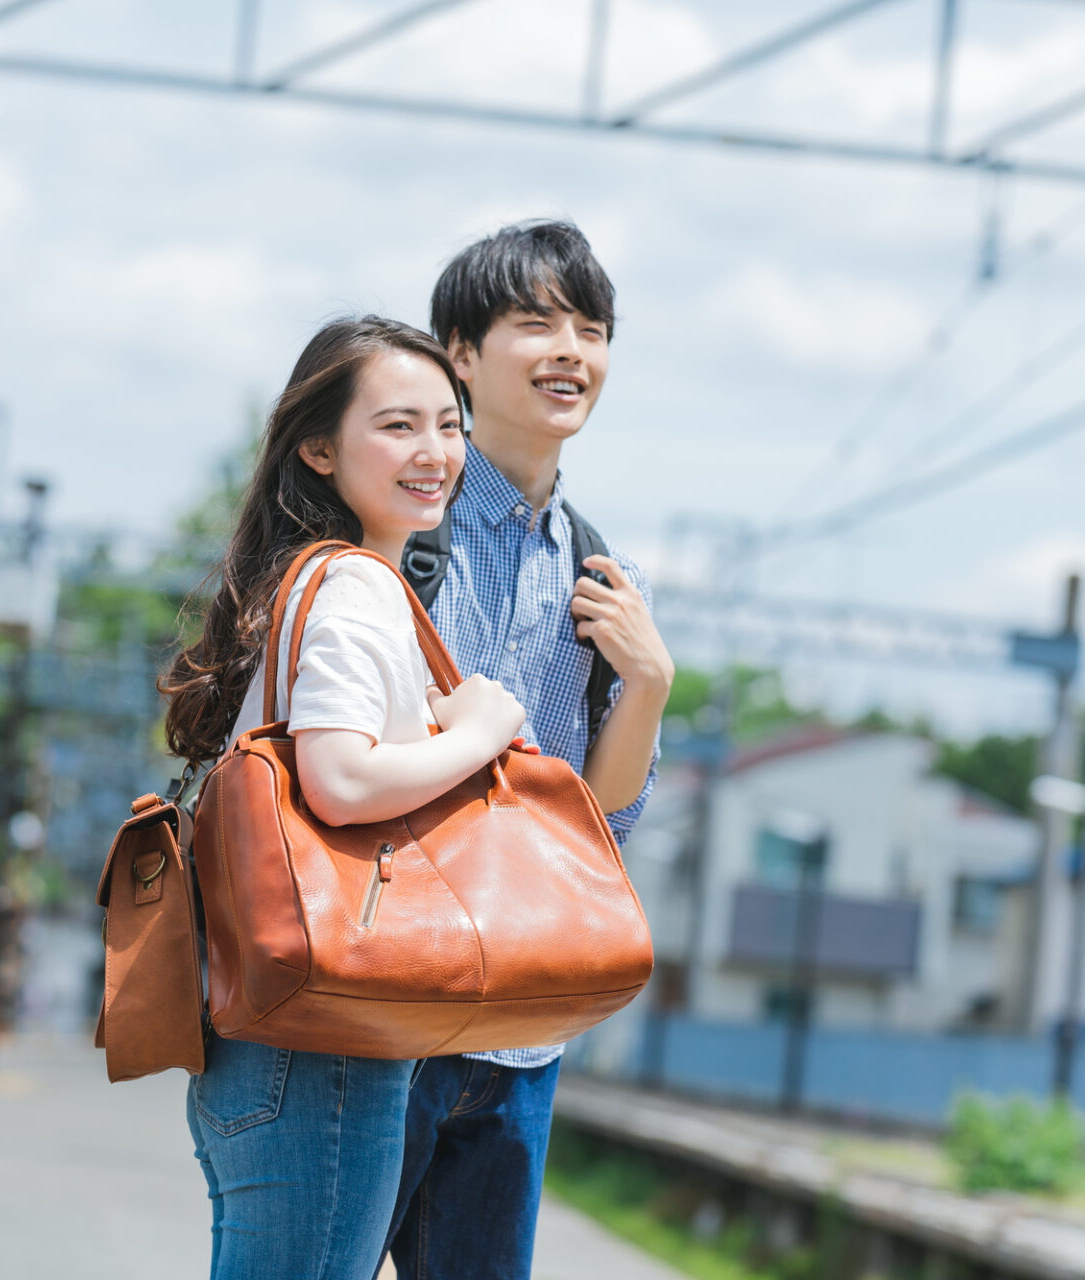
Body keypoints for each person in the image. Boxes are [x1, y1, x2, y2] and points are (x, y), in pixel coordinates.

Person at [159, 316, 528, 1280]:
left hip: (275, 1040)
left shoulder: (304, 581)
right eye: (398, 426)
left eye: (449, 426)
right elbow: (342, 777)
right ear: (318, 449)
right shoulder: (358, 586)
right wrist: (480, 733)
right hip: (319, 1046)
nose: (435, 453)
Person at [384, 220, 674, 1279]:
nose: (571, 352)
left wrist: (649, 682)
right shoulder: (397, 532)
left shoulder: (606, 576)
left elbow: (600, 826)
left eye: (592, 330)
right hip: (380, 1000)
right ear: (459, 353)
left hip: (519, 1032)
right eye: (538, 323)